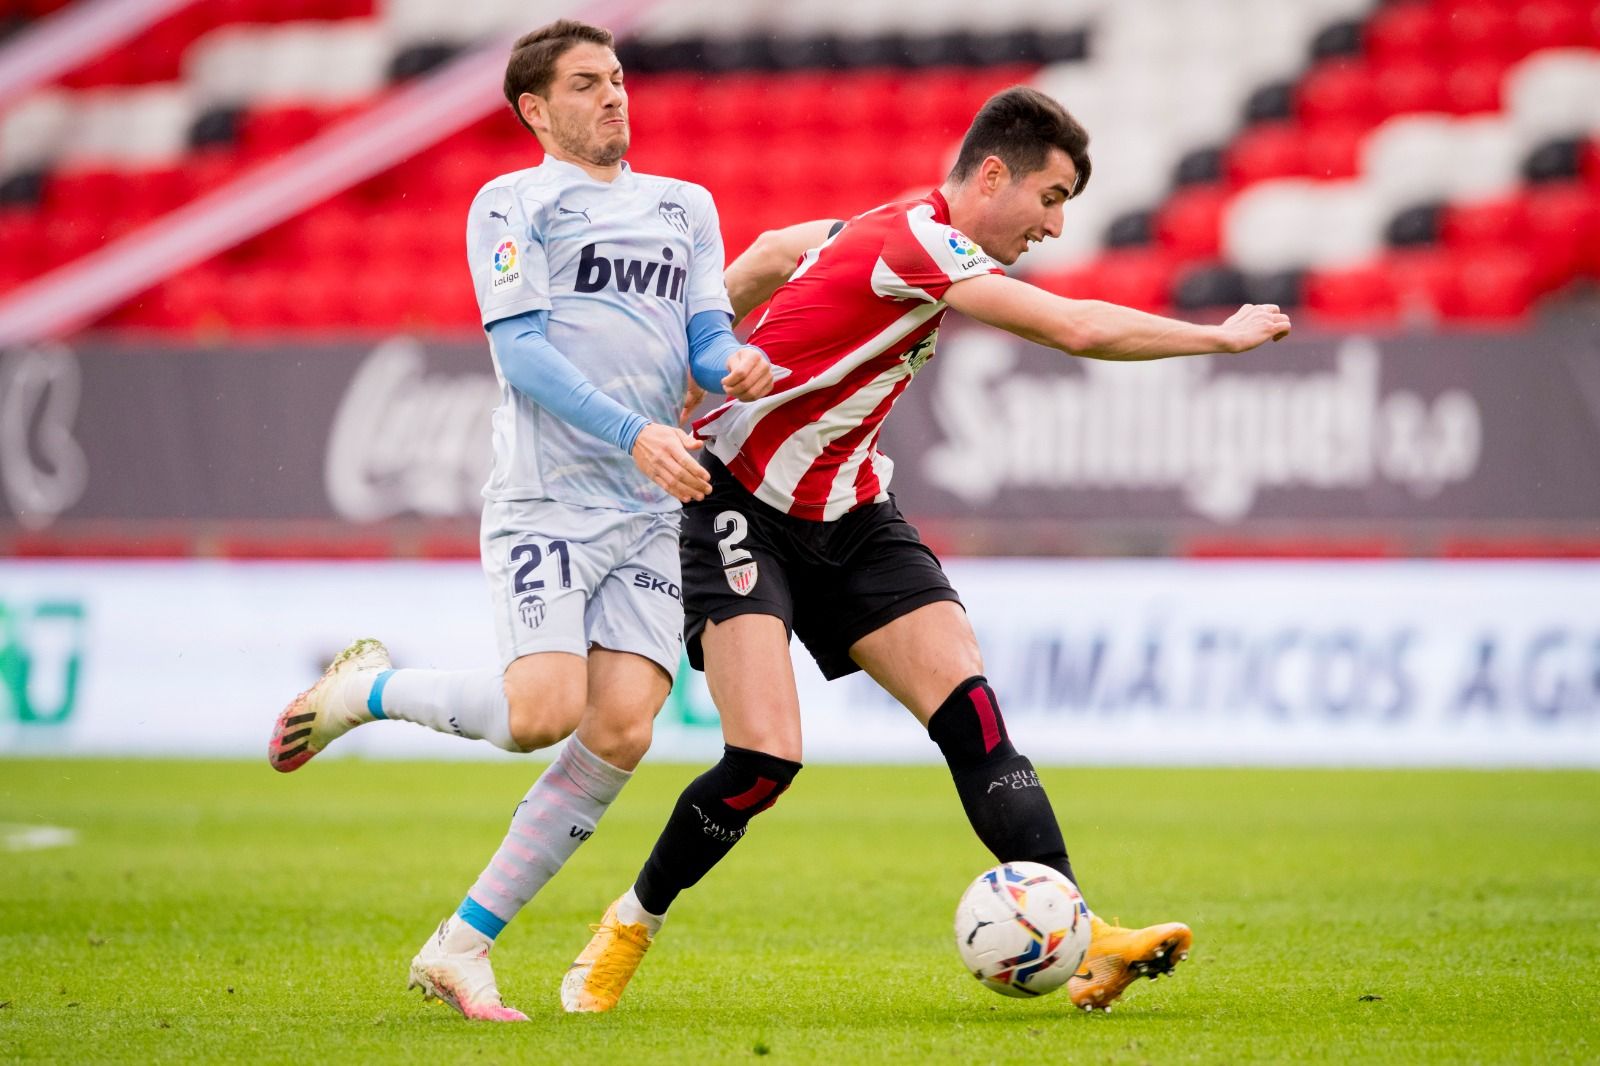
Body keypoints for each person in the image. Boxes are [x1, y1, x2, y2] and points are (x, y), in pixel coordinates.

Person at [563, 85, 1293, 1016]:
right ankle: (630, 922)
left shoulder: (893, 224)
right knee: (763, 762)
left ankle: (1086, 932)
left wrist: (705, 347)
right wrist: (1217, 338)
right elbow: (1073, 327)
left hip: (857, 513)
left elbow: (776, 253)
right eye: (1051, 197)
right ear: (994, 174)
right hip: (741, 504)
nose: (1056, 226)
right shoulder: (920, 240)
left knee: (975, 720)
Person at [265, 19, 776, 1022]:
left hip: (644, 508)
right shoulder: (512, 202)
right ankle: (367, 688)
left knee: (623, 728)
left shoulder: (685, 205)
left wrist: (732, 367)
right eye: (587, 83)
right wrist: (636, 430)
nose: (614, 96)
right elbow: (526, 357)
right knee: (539, 713)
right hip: (549, 497)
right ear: (535, 110)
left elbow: (705, 330)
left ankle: (461, 945)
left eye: (619, 78)